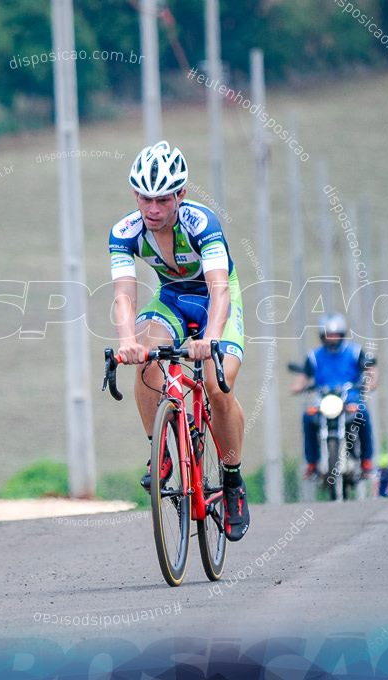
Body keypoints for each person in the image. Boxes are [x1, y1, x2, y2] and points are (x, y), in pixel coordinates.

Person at [110, 141, 250, 542]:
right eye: (144, 198)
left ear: (181, 195)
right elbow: (124, 294)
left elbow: (220, 289)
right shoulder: (125, 232)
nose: (152, 209)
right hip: (171, 298)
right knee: (146, 361)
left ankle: (233, 479)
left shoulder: (201, 223)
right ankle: (162, 455)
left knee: (215, 384)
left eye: (162, 199)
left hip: (214, 301)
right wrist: (126, 342)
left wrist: (210, 339)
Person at [291, 313, 378, 481]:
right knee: (307, 416)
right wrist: (298, 387)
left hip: (349, 398)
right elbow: (304, 376)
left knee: (363, 414)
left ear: (342, 334)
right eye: (328, 335)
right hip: (322, 399)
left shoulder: (354, 351)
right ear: (322, 336)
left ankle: (366, 461)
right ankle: (312, 463)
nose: (331, 338)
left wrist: (370, 382)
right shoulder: (314, 356)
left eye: (335, 334)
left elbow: (370, 369)